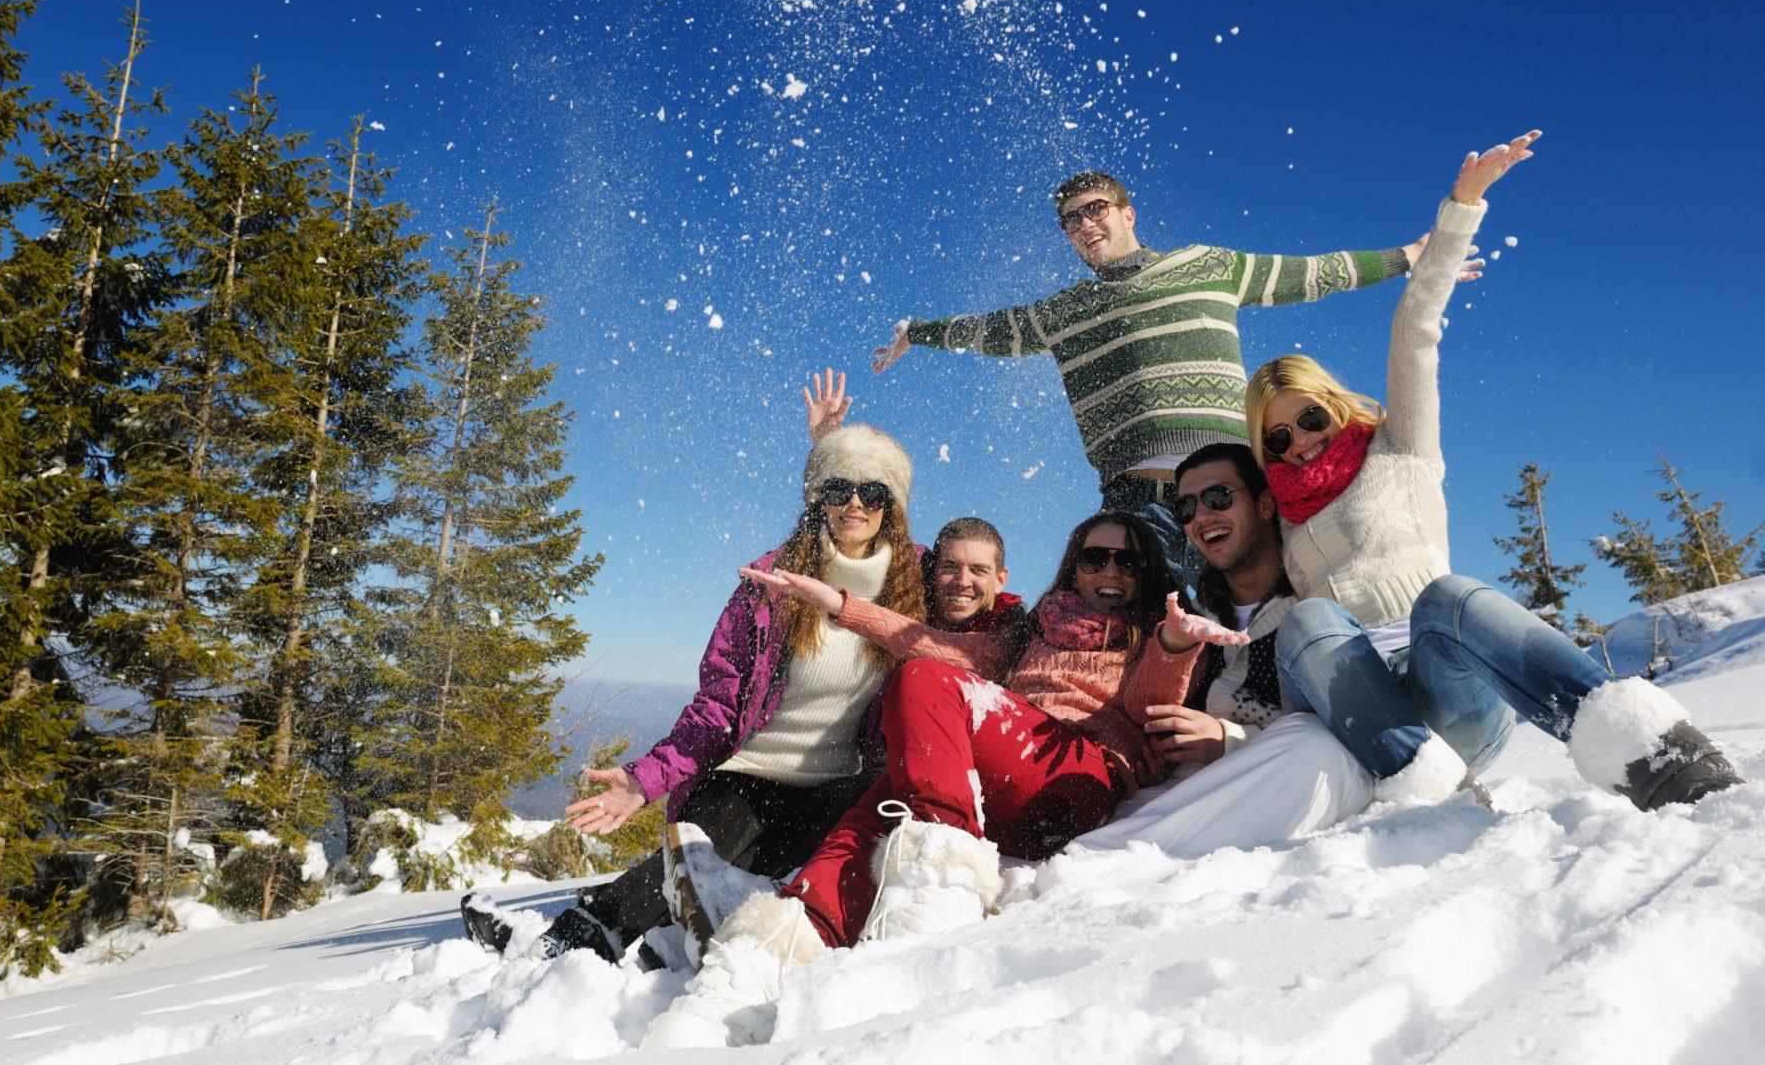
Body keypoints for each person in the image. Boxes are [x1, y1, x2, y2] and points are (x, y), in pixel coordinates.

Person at [1255, 132, 1741, 811]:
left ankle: (1658, 756)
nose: (1300, 441)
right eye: (1278, 436)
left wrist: (1462, 206)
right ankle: (1431, 795)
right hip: (1359, 713)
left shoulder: (1400, 446)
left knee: (1448, 596)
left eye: (1310, 418)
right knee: (1307, 619)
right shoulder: (1277, 511)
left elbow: (1415, 330)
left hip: (1447, 690)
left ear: (1336, 407)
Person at [643, 512, 1248, 1048]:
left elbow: (1147, 710)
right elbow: (928, 642)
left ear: (1146, 570)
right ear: (1075, 567)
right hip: (1002, 774)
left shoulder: (1153, 633)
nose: (1110, 568)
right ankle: (755, 966)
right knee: (879, 809)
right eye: (1096, 556)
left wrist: (1172, 644)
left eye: (1127, 558)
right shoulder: (1028, 635)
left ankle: (939, 898)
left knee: (923, 688)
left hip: (1075, 776)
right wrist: (837, 604)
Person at [462, 420, 926, 965]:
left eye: (872, 492)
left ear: (891, 506)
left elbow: (979, 603)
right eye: (837, 488)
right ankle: (582, 936)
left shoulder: (916, 586)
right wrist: (642, 781)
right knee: (713, 849)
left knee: (760, 858)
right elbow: (717, 708)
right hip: (745, 779)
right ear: (817, 498)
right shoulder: (769, 587)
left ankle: (646, 932)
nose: (854, 503)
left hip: (834, 787)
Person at [870, 171, 1471, 580]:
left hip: (1236, 492)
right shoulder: (1063, 313)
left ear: (1128, 212)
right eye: (1070, 221)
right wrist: (918, 332)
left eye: (1095, 210)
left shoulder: (1206, 267)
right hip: (1136, 506)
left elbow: (1307, 273)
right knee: (1156, 646)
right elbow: (991, 331)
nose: (1084, 226)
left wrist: (1405, 259)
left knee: (1261, 636)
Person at [1069, 442, 1373, 856]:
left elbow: (1354, 727)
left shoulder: (1317, 602)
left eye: (1218, 497)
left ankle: (1105, 860)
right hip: (1196, 795)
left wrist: (1227, 739)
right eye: (1186, 509)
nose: (1201, 517)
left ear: (1266, 504)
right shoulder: (1192, 615)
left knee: (1313, 742)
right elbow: (1150, 712)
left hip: (1298, 776)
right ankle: (1098, 858)